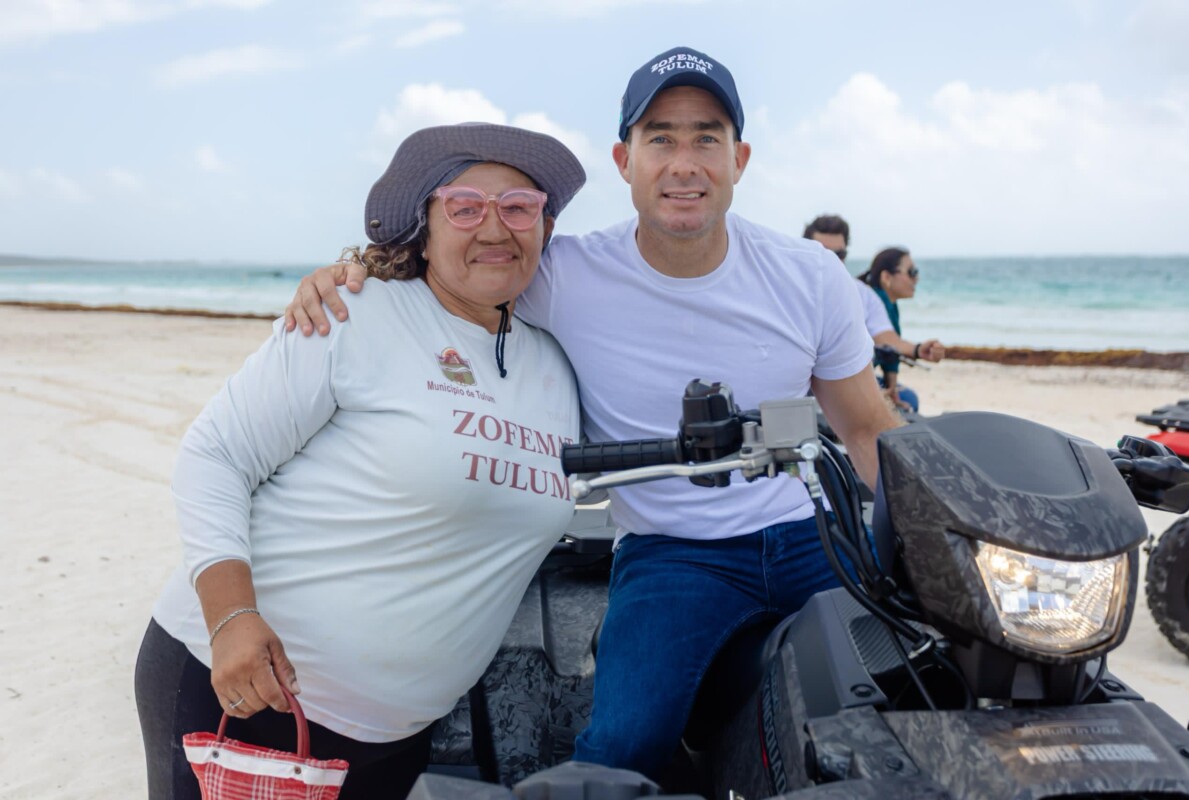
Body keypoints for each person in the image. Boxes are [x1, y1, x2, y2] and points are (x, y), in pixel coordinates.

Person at [284, 46, 900, 781]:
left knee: (915, 702)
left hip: (810, 538)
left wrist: (928, 533)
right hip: (674, 552)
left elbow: (865, 427)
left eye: (706, 137)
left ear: (739, 158)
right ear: (624, 159)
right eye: (660, 138)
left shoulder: (808, 274)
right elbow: (455, 265)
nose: (684, 162)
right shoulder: (564, 275)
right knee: (621, 748)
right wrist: (348, 273)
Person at [133, 123, 586, 799]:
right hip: (249, 695)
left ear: (544, 230)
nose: (496, 227)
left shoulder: (558, 364)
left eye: (519, 207)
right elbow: (216, 453)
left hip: (397, 737)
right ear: (423, 229)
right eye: (464, 207)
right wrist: (230, 620)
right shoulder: (354, 312)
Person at [803, 215, 945, 411]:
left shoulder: (862, 294)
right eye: (823, 253)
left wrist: (918, 349)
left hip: (846, 382)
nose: (832, 261)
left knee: (907, 402)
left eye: (839, 255)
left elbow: (886, 339)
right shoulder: (788, 294)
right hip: (803, 387)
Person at [859, 246, 943, 411]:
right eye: (911, 272)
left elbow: (890, 354)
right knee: (910, 400)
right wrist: (918, 350)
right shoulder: (874, 301)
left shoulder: (890, 304)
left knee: (906, 399)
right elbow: (887, 342)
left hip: (865, 376)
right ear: (886, 277)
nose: (916, 279)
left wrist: (892, 388)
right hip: (856, 379)